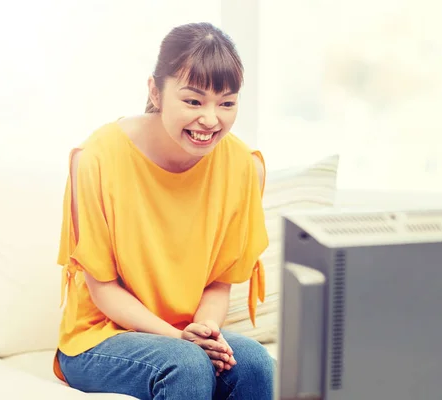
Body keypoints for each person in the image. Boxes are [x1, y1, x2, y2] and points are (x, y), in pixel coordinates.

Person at [53, 22, 274, 399]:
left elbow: (219, 282)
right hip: (101, 337)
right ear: (155, 91)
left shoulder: (243, 166)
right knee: (186, 366)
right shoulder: (97, 158)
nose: (210, 119)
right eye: (193, 101)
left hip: (185, 333)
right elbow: (103, 289)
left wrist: (204, 331)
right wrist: (182, 340)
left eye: (226, 103)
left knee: (254, 363)